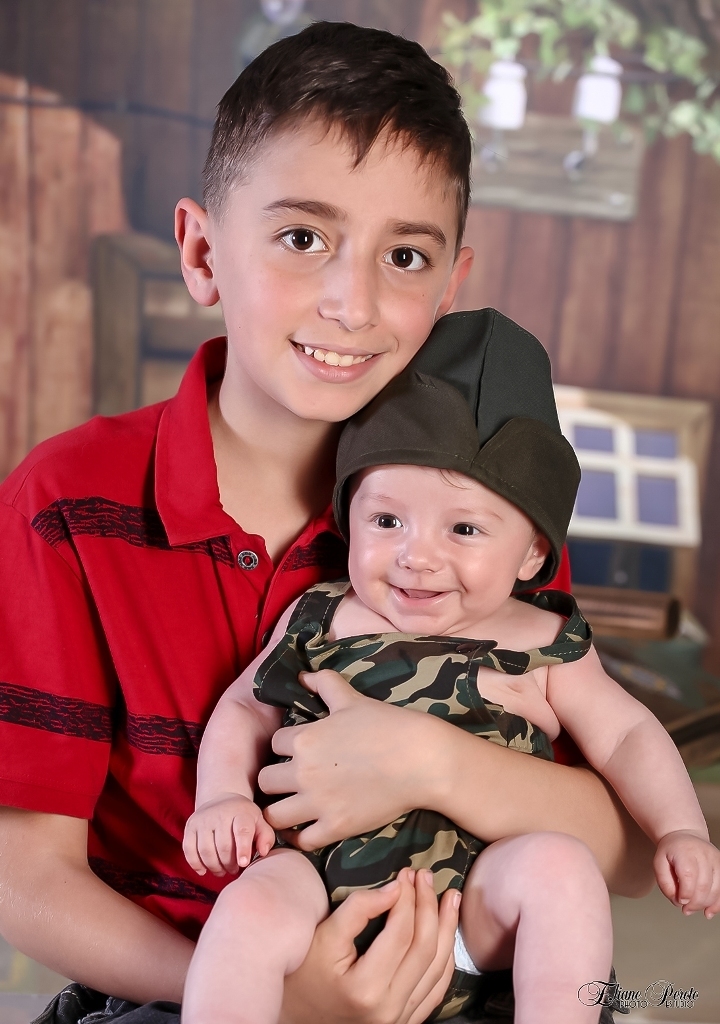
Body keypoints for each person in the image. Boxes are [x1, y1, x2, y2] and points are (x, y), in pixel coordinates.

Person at [0, 22, 654, 1024]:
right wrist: (277, 995)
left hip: (458, 977)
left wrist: (433, 761)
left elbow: (626, 852)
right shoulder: (67, 504)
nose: (353, 302)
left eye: (405, 255)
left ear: (450, 286)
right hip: (179, 989)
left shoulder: (475, 520)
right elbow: (23, 876)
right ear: (203, 252)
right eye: (303, 238)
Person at [181, 370, 720, 1024]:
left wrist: (680, 828)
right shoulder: (323, 615)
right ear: (348, 521)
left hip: (476, 910)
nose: (417, 556)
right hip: (320, 883)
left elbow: (628, 733)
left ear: (531, 553)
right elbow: (245, 705)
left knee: (560, 870)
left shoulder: (545, 641)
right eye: (386, 520)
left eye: (463, 529)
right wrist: (222, 797)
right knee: (249, 907)